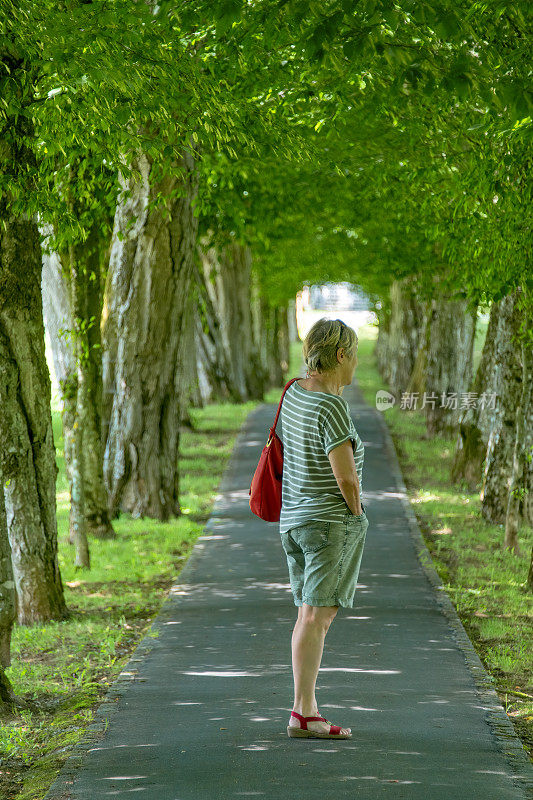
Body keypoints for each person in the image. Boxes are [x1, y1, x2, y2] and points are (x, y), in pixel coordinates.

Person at [279, 317, 369, 739]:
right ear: (340, 355)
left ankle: (304, 709)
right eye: (354, 356)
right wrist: (357, 513)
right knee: (318, 617)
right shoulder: (332, 407)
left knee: (306, 614)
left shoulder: (295, 392)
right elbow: (346, 477)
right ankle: (304, 712)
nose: (357, 365)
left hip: (294, 522)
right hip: (328, 523)